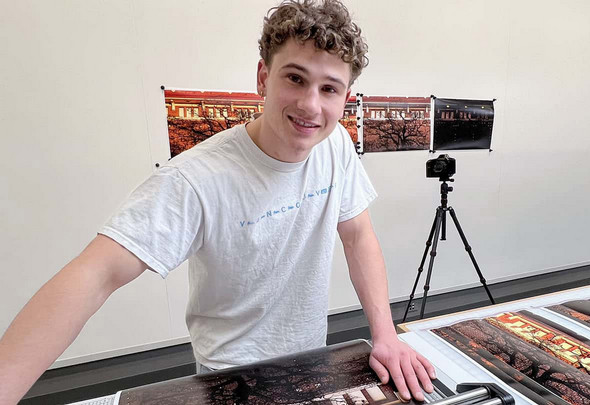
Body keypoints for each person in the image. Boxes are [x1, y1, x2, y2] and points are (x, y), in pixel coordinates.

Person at [0, 1, 435, 403]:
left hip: (310, 357)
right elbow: (95, 274)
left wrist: (385, 335)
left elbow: (358, 235)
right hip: (228, 372)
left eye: (329, 89)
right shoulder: (196, 178)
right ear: (264, 77)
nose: (310, 105)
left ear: (345, 97)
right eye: (295, 78)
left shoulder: (335, 144)